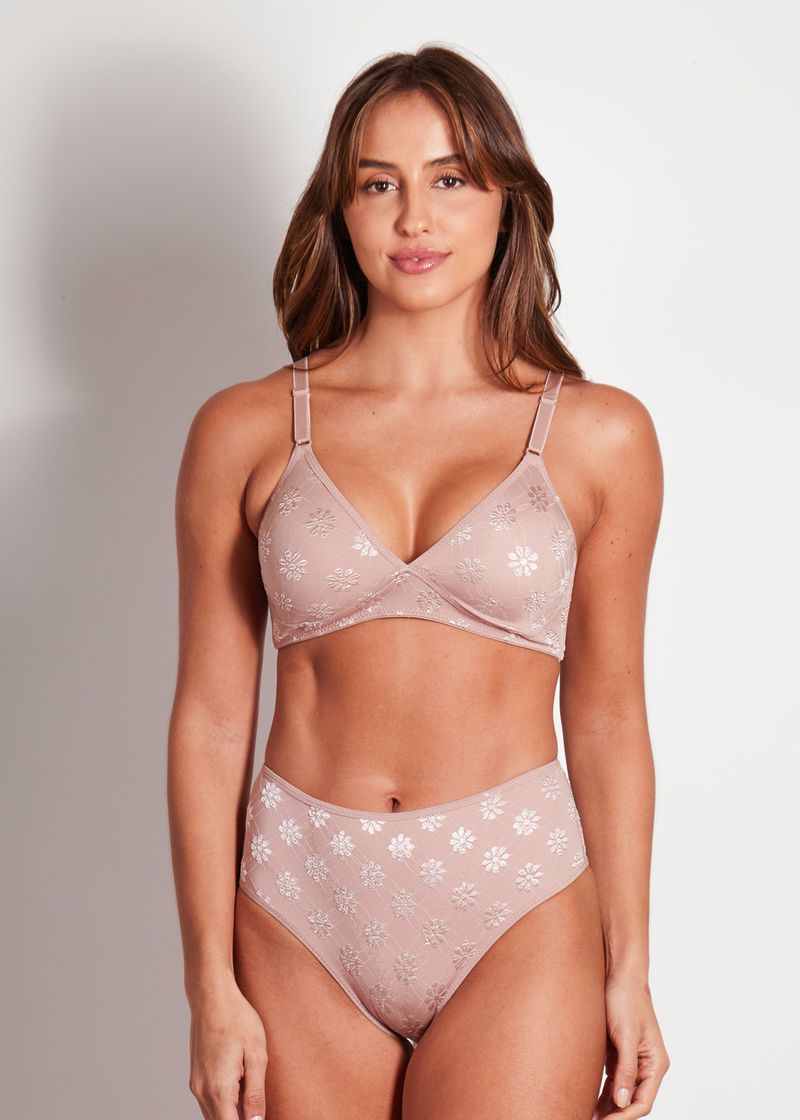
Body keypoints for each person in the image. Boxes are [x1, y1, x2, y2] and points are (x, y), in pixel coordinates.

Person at [169, 44, 670, 1120]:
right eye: (377, 184)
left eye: (449, 178)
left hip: (517, 902)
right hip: (301, 902)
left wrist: (629, 968)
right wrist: (207, 981)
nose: (414, 219)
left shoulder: (600, 437)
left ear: (506, 200)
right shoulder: (244, 430)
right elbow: (210, 719)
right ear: (340, 210)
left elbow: (607, 714)